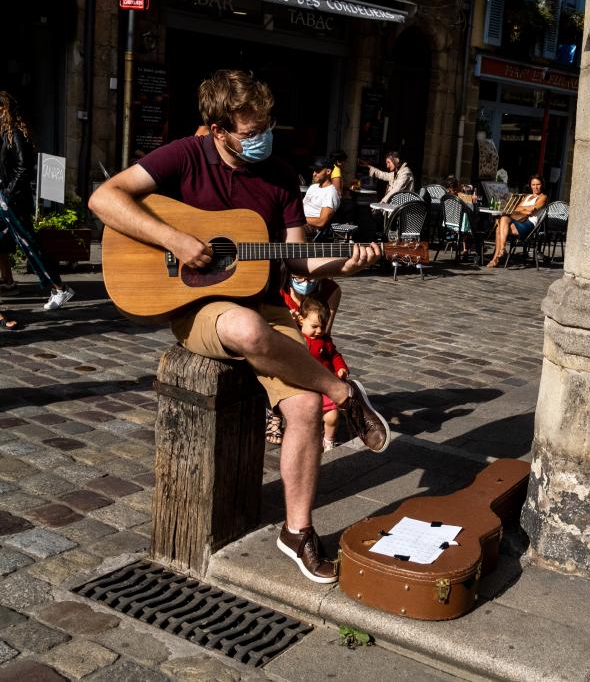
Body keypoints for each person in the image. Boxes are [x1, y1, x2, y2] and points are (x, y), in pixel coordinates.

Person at [88, 69, 391, 586]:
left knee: (301, 408)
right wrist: (175, 239)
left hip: (266, 305)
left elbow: (299, 261)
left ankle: (297, 533)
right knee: (248, 328)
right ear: (217, 128)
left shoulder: (278, 175)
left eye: (266, 126)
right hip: (195, 307)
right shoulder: (184, 155)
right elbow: (104, 198)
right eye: (250, 132)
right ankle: (343, 392)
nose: (262, 138)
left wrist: (348, 262)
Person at [0, 90, 75, 310]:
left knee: (29, 244)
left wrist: (8, 193)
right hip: (6, 199)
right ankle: (10, 283)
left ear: (4, 109)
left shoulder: (14, 133)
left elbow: (24, 167)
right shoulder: (5, 133)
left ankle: (59, 288)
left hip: (13, 201)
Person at [266, 272, 344, 446]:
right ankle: (275, 412)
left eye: (310, 277)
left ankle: (325, 435)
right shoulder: (277, 288)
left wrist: (339, 367)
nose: (305, 282)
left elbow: (326, 340)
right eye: (299, 276)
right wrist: (288, 323)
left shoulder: (329, 290)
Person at [294, 295, 349, 451]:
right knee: (309, 419)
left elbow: (334, 355)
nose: (319, 331)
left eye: (323, 326)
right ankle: (309, 441)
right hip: (304, 386)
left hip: (325, 385)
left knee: (332, 417)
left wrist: (340, 367)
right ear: (301, 320)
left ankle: (329, 440)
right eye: (314, 326)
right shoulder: (295, 337)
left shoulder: (324, 340)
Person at [486, 174, 546, 269]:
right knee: (499, 227)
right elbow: (516, 207)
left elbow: (532, 210)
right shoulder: (527, 197)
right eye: (533, 184)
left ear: (542, 185)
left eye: (538, 184)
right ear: (530, 185)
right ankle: (497, 256)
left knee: (503, 219)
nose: (535, 187)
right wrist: (524, 209)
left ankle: (499, 255)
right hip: (519, 221)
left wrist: (522, 209)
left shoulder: (543, 197)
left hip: (528, 226)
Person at [303, 156, 341, 236]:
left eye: (317, 171)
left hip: (311, 228)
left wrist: (299, 219)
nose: (314, 174)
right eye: (314, 171)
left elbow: (321, 222)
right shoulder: (313, 187)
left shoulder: (330, 193)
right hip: (301, 222)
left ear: (328, 171)